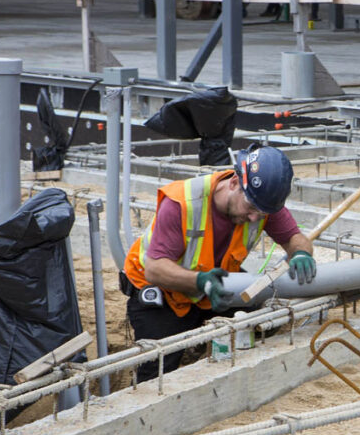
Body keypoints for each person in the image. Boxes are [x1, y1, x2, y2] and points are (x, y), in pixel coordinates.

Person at [121, 144, 316, 381]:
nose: (255, 218)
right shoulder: (183, 202)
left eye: (263, 214)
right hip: (164, 290)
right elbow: (155, 268)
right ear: (234, 182)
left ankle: (201, 346)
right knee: (158, 372)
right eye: (251, 208)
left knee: (265, 317)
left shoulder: (262, 201)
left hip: (215, 282)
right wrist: (200, 281)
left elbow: (296, 239)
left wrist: (302, 253)